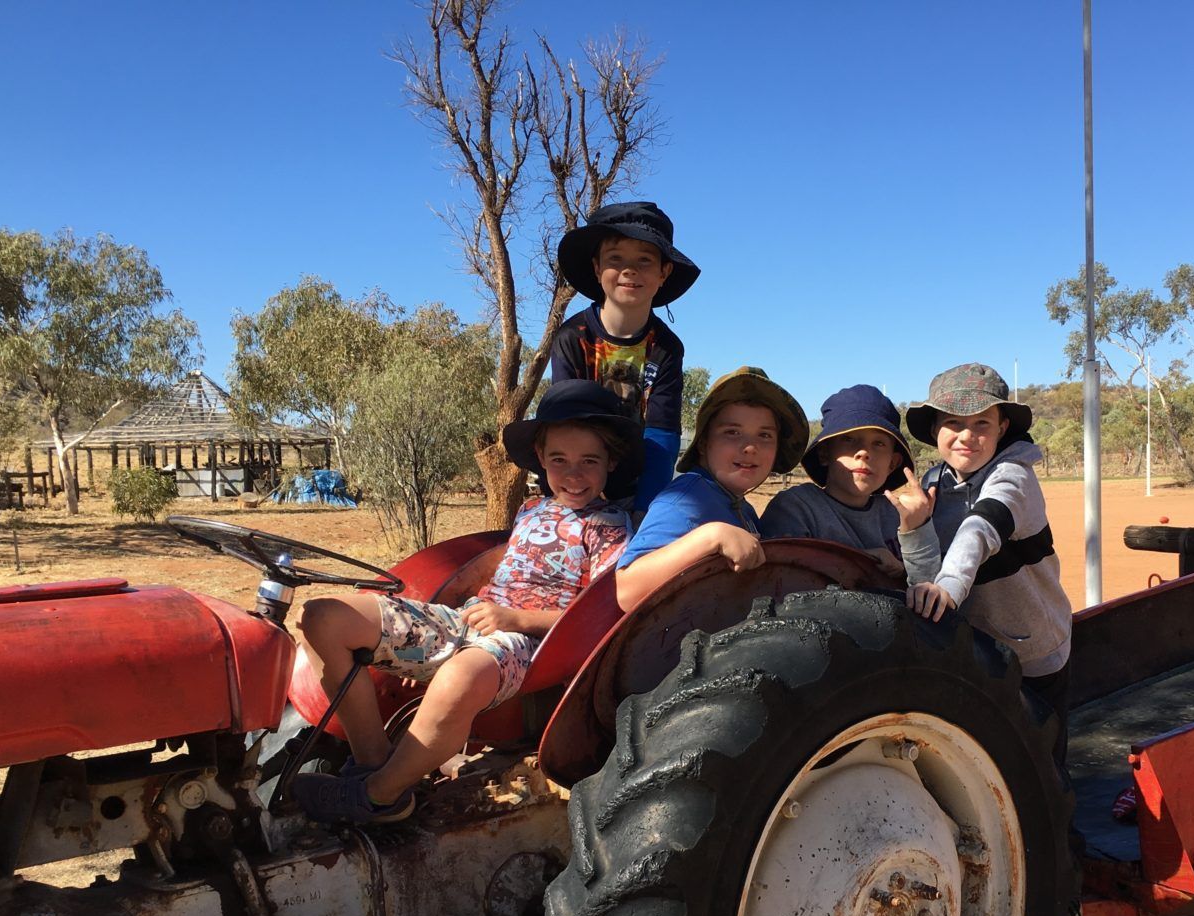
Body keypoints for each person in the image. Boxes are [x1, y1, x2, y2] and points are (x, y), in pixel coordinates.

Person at [291, 381, 639, 824]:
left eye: (589, 461)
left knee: (458, 676)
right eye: (559, 460)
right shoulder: (531, 510)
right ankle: (373, 764)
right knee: (322, 617)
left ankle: (380, 796)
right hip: (469, 620)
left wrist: (514, 617)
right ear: (541, 460)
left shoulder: (610, 527)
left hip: (530, 641)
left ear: (610, 462)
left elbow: (599, 616)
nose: (573, 474)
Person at [903, 363, 1075, 766]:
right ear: (934, 431)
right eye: (953, 422)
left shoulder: (1013, 475)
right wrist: (911, 533)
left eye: (982, 422)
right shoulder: (933, 482)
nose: (967, 436)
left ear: (1002, 428)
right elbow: (923, 560)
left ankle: (1062, 832)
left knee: (1042, 762)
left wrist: (947, 586)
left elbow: (981, 528)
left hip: (1033, 651)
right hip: (976, 650)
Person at [613, 366, 807, 611]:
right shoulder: (684, 502)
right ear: (704, 442)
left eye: (765, 435)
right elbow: (628, 590)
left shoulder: (740, 506)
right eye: (732, 432)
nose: (750, 447)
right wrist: (711, 536)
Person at [551, 201, 700, 510]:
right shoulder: (572, 338)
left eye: (644, 260)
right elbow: (563, 429)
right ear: (596, 267)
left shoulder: (666, 348)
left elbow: (661, 436)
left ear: (664, 272)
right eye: (615, 258)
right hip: (577, 486)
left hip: (640, 489)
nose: (629, 270)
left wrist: (645, 512)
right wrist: (577, 501)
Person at [758, 383, 940, 583]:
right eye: (849, 439)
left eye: (878, 443)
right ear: (825, 453)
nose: (864, 452)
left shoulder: (899, 516)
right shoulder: (797, 508)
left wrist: (904, 561)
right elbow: (778, 577)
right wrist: (857, 561)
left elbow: (927, 584)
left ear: (893, 463)